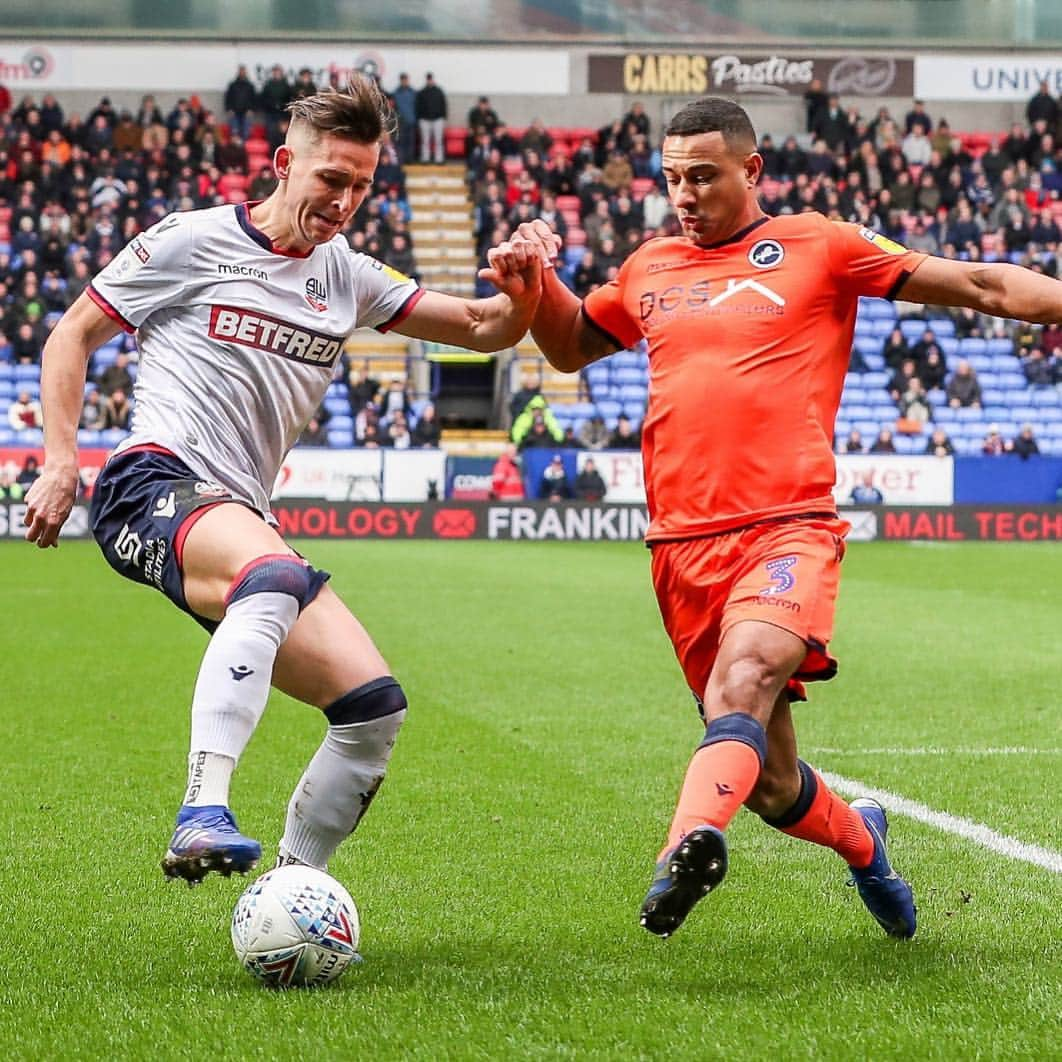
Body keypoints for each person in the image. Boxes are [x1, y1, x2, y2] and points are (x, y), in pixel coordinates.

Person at [489, 95, 1062, 944]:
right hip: (680, 545)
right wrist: (532, 284)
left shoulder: (820, 243)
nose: (684, 194)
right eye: (673, 178)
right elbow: (570, 344)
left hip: (788, 525)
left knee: (746, 677)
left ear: (751, 171)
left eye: (704, 177)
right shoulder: (650, 265)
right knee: (770, 780)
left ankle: (685, 845)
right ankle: (864, 841)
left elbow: (981, 284)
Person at [23, 79, 545, 887]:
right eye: (331, 180)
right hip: (153, 480)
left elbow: (485, 328)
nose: (344, 201)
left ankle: (288, 891)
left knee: (373, 710)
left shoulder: (349, 276)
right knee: (270, 574)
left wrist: (526, 282)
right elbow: (72, 335)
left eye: (362, 186)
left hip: (241, 514)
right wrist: (61, 461)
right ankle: (202, 810)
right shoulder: (190, 240)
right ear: (282, 165)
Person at [415, 73, 447, 164]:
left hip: (438, 119)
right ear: (426, 80)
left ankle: (439, 159)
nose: (429, 80)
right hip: (424, 120)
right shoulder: (422, 92)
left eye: (431, 79)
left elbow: (443, 105)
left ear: (433, 79)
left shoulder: (439, 91)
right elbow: (418, 106)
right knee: (425, 141)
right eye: (428, 79)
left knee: (438, 141)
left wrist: (443, 117)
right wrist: (419, 118)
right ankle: (425, 158)